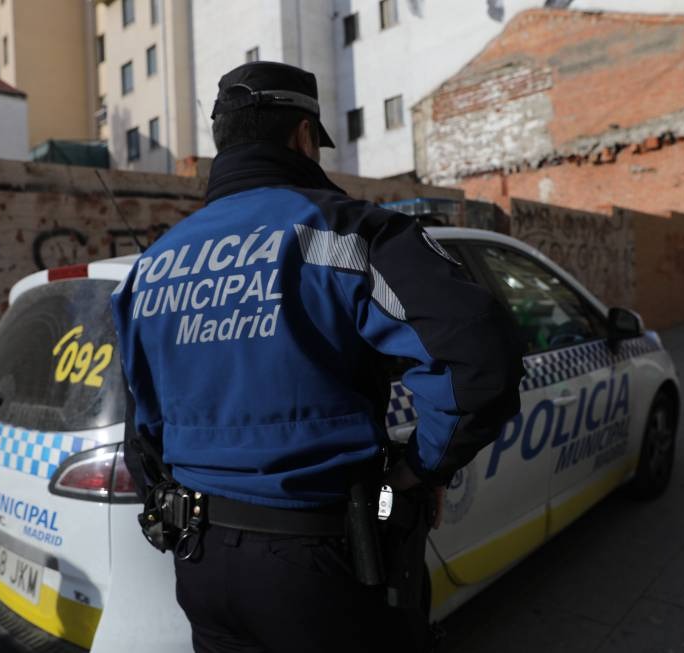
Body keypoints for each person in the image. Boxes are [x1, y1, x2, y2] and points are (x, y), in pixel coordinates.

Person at [110, 61, 524, 653]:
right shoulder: (345, 232)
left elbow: (142, 428)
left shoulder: (149, 268)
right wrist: (420, 469)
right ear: (304, 136)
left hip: (199, 562)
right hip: (322, 564)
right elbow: (479, 359)